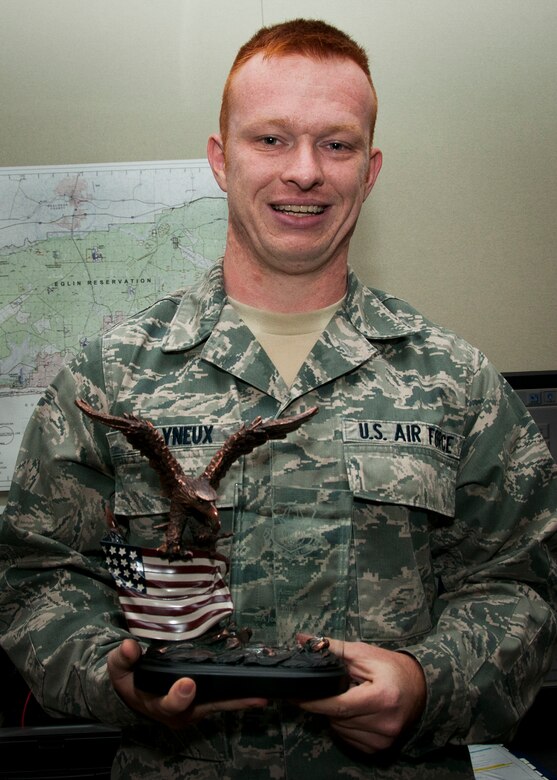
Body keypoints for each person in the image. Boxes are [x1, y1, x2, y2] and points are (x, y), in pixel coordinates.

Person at [1, 17, 556, 780]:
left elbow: (519, 588)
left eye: (337, 143)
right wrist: (114, 675)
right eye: (270, 140)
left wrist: (428, 686)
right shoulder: (110, 376)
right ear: (221, 161)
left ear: (371, 168)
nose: (305, 171)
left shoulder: (455, 381)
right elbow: (37, 575)